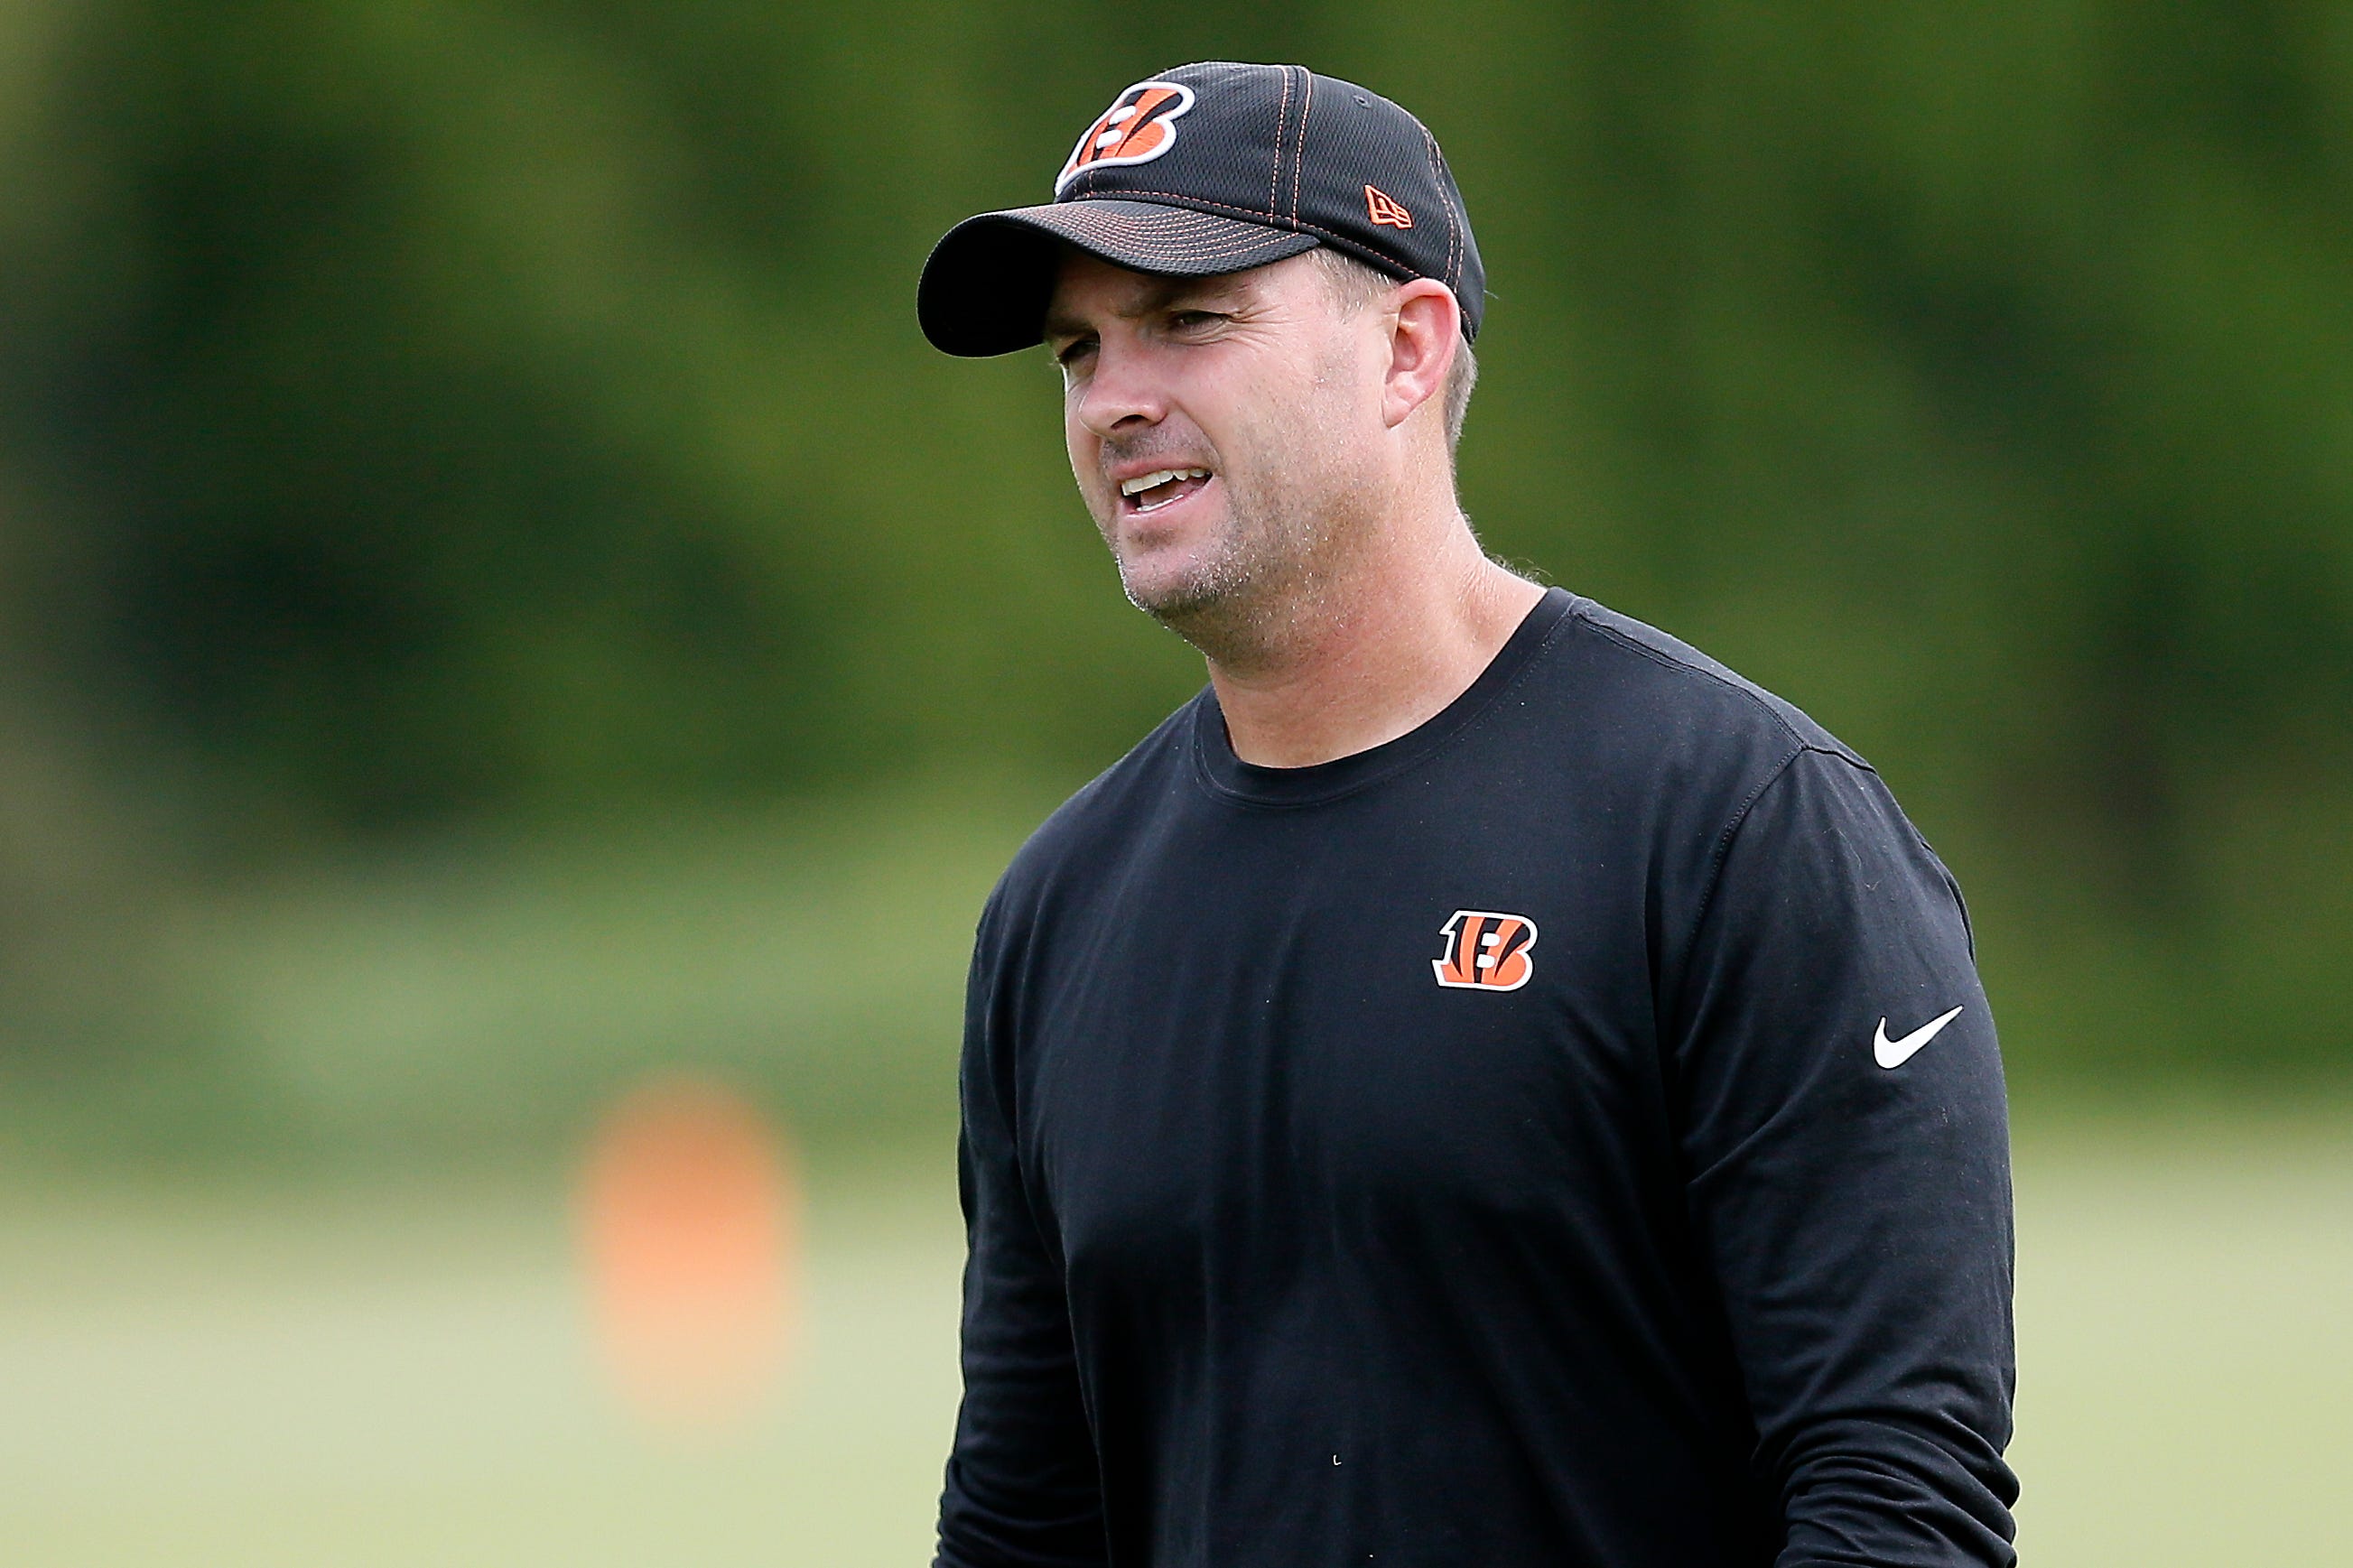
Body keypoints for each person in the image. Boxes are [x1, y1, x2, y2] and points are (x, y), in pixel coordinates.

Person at [916, 60, 2017, 1568]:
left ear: (1405, 348)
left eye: (1187, 320)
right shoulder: (1060, 914)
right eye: (1077, 350)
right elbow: (1023, 1531)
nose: (1114, 398)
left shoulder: (1738, 829)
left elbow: (1895, 1497)